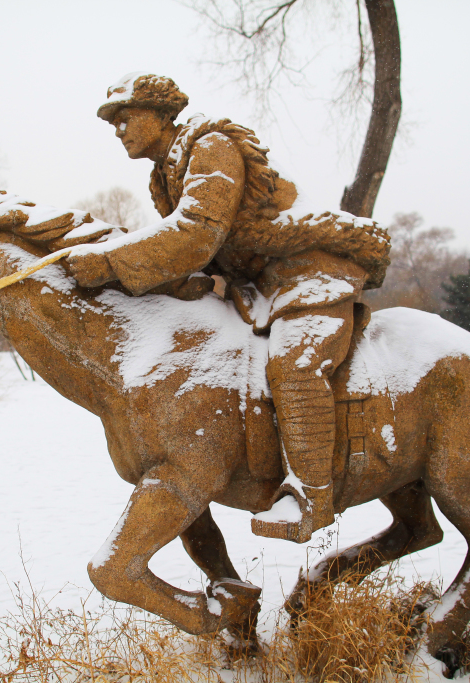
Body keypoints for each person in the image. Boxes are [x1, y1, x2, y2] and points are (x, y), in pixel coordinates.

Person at [67, 73, 390, 543]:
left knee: (294, 363)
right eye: (113, 122)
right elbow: (194, 253)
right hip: (259, 287)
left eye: (126, 117)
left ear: (161, 115)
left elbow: (198, 233)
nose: (119, 129)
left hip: (307, 272)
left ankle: (312, 498)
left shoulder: (211, 146)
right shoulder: (165, 173)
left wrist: (110, 261)